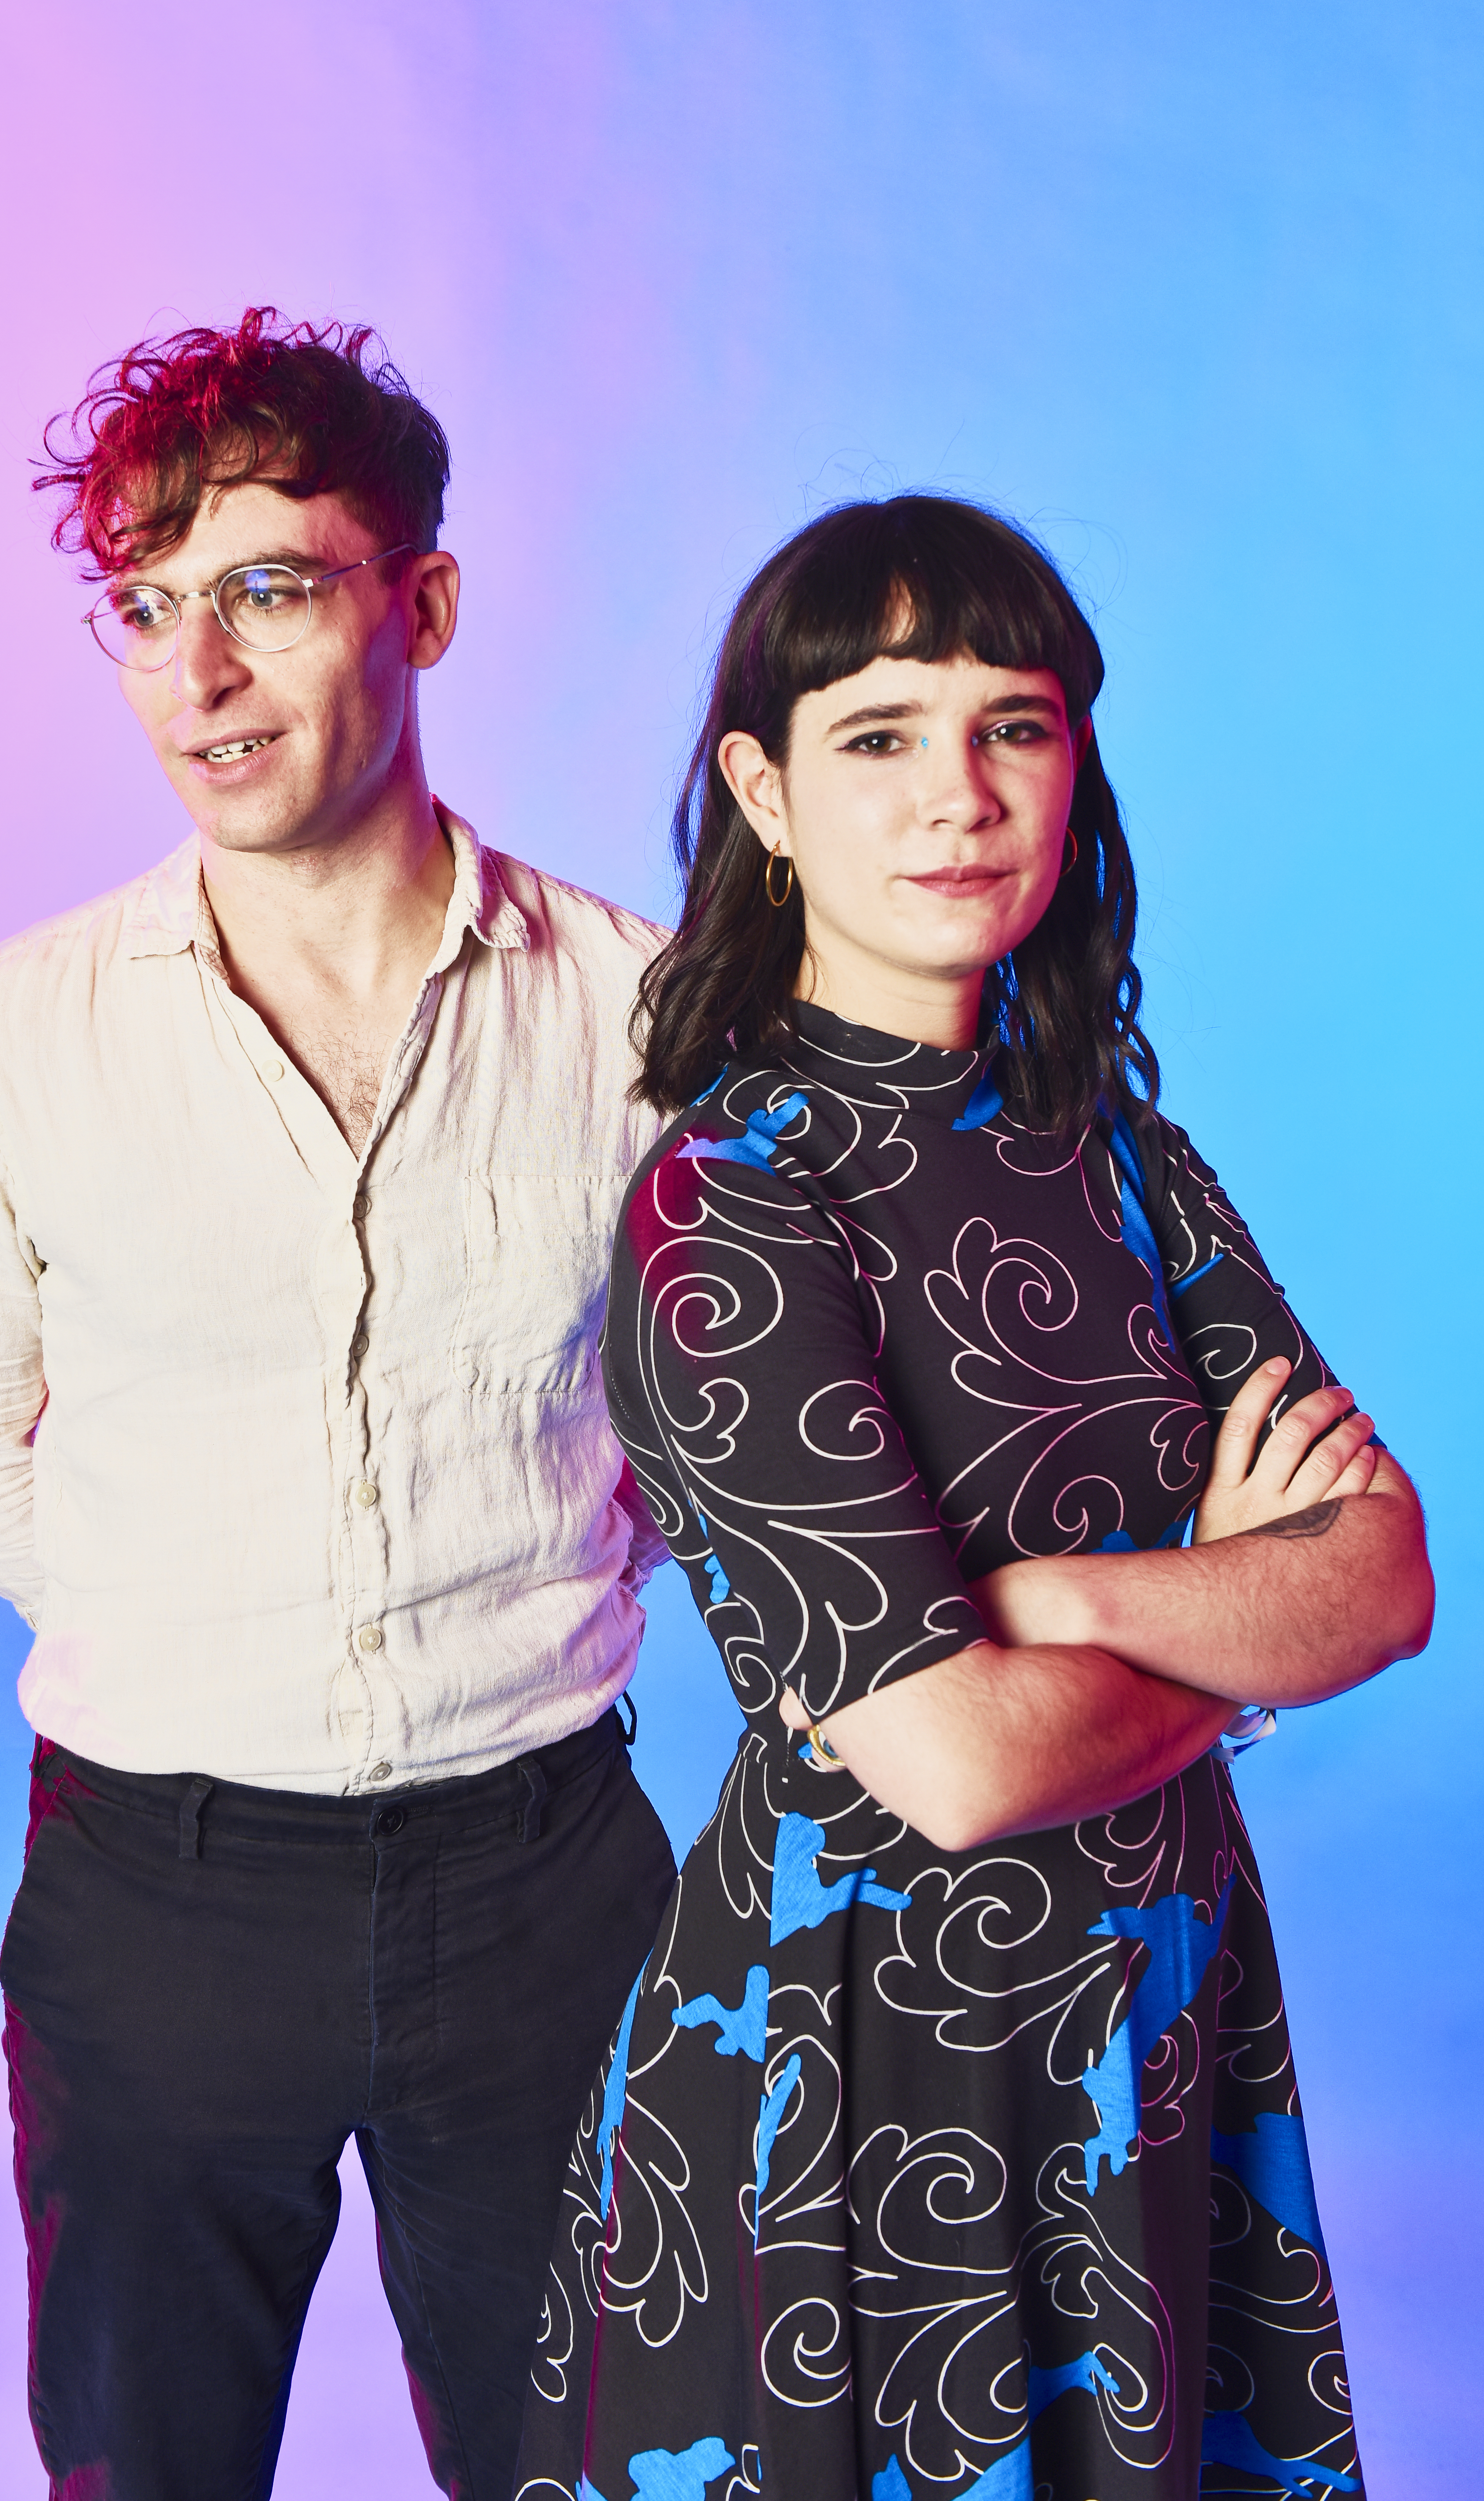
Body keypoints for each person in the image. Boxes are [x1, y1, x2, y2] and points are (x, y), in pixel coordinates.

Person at [513, 495, 1431, 2501]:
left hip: (1160, 2009)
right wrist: (1219, 1609)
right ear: (763, 789)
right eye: (878, 735)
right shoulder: (732, 1211)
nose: (957, 795)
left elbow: (1380, 1581)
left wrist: (1069, 1600)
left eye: (1011, 727)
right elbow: (950, 1766)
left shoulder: (1125, 1164)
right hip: (859, 2047)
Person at [0, 309, 678, 2501]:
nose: (194, 677)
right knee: (143, 2468)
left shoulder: (640, 1013)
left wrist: (499, 1585)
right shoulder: (18, 1030)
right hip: (159, 1890)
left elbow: (719, 1428)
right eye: (142, 610)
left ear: (423, 604)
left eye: (266, 592)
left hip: (547, 1888)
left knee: (599, 2461)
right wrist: (217, 1614)